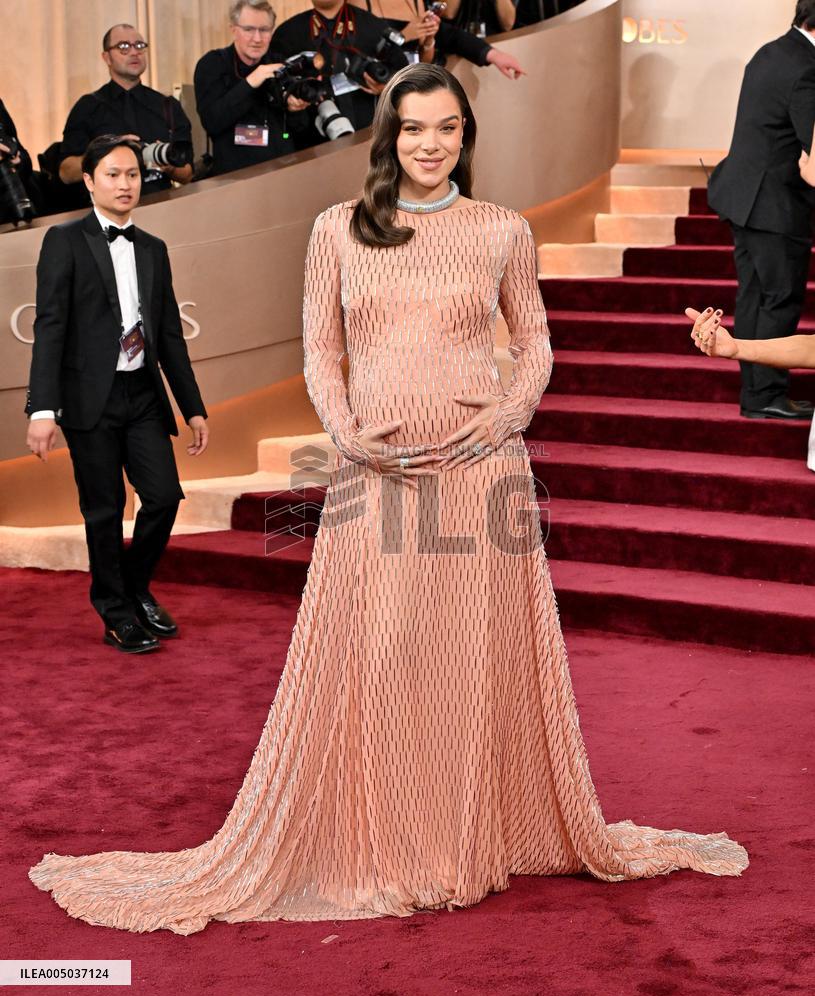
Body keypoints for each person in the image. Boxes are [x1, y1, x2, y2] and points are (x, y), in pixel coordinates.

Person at [28, 67, 747, 933]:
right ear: (387, 137)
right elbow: (320, 352)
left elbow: (535, 344)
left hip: (480, 472)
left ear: (465, 135)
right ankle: (394, 833)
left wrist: (507, 421)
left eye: (445, 128)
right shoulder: (338, 229)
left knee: (472, 657)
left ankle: (469, 833)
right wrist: (344, 433)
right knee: (387, 649)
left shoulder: (500, 231)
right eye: (412, 129)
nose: (430, 144)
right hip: (377, 472)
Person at [25, 135, 208, 655]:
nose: (125, 183)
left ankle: (134, 585)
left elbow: (168, 334)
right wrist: (43, 408)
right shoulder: (63, 241)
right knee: (104, 509)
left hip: (142, 394)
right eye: (112, 174)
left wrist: (192, 407)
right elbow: (50, 327)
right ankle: (116, 612)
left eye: (131, 174)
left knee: (165, 496)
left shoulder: (153, 248)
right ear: (89, 181)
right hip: (90, 399)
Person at [706, 0, 815, 422]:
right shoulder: (806, 68)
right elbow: (813, 154)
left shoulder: (771, 50)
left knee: (754, 296)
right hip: (775, 204)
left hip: (742, 196)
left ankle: (757, 395)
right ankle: (767, 392)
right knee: (779, 299)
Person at [59, 24, 194, 200]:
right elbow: (66, 173)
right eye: (123, 47)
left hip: (162, 206)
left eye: (139, 46)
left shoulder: (167, 105)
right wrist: (107, 153)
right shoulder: (88, 106)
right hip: (108, 214)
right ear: (106, 57)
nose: (134, 52)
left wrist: (167, 164)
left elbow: (188, 174)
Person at [194, 0, 311, 176]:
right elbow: (212, 122)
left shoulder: (279, 63)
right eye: (249, 30)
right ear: (233, 29)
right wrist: (251, 82)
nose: (257, 39)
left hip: (283, 173)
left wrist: (296, 110)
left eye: (264, 30)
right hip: (235, 178)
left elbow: (301, 129)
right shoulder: (213, 64)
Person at [270, 0, 411, 144]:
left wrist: (387, 88)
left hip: (372, 137)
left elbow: (404, 77)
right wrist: (290, 101)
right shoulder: (287, 34)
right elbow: (272, 90)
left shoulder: (373, 25)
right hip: (313, 145)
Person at [350, 0, 525, 77]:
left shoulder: (415, 1)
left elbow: (448, 37)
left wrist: (493, 55)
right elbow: (353, 48)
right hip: (376, 100)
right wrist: (403, 36)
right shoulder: (358, 3)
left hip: (414, 91)